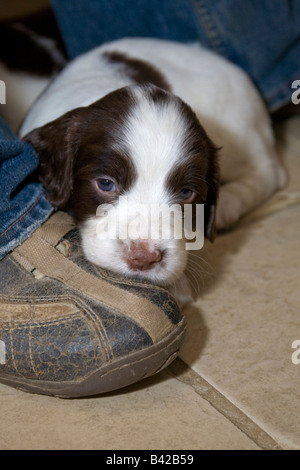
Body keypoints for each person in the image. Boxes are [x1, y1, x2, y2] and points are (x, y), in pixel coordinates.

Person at [0, 0, 299, 397]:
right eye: (107, 184)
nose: (146, 250)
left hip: (204, 73)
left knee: (248, 160)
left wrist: (241, 195)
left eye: (185, 192)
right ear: (62, 167)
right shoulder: (53, 145)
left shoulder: (208, 102)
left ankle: (257, 172)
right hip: (127, 68)